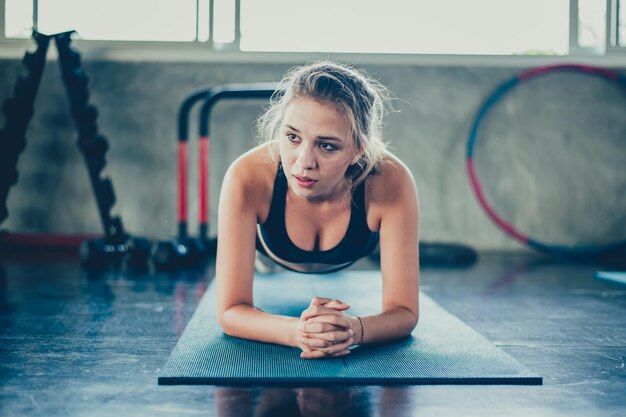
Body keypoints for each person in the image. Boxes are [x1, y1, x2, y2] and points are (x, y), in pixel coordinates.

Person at [216, 61, 419, 359]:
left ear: (358, 150)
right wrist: (299, 332)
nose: (303, 162)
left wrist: (352, 329)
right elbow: (230, 312)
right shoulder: (247, 177)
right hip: (269, 253)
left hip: (359, 247)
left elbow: (405, 312)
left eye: (326, 146)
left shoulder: (391, 181)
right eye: (292, 137)